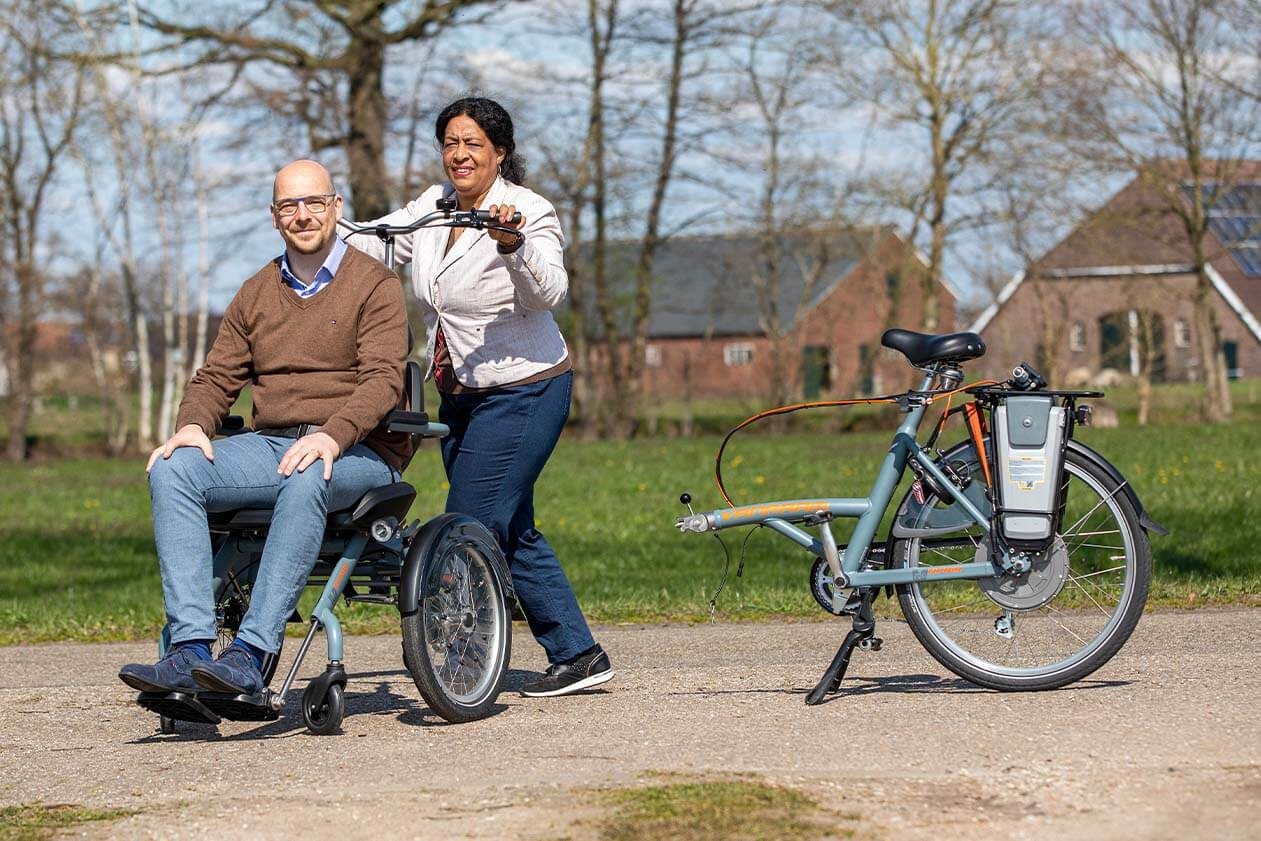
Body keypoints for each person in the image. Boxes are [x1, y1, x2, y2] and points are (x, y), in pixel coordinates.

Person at [341, 96, 613, 697]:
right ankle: (579, 655)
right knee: (509, 526)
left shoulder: (529, 212)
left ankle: (459, 661)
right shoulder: (434, 208)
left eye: (473, 145)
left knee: (467, 523)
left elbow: (549, 292)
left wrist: (511, 246)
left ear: (500, 153)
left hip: (526, 389)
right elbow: (379, 241)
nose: (459, 155)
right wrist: (321, 219)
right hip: (461, 391)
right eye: (450, 144)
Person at [119, 160, 410, 701]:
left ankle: (251, 654)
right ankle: (190, 649)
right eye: (289, 206)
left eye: (314, 202)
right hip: (272, 444)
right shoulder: (255, 292)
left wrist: (331, 435)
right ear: (274, 217)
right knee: (173, 467)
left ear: (337, 208)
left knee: (307, 473)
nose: (302, 215)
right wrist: (191, 426)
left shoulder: (375, 285)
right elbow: (216, 375)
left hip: (357, 449)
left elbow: (382, 381)